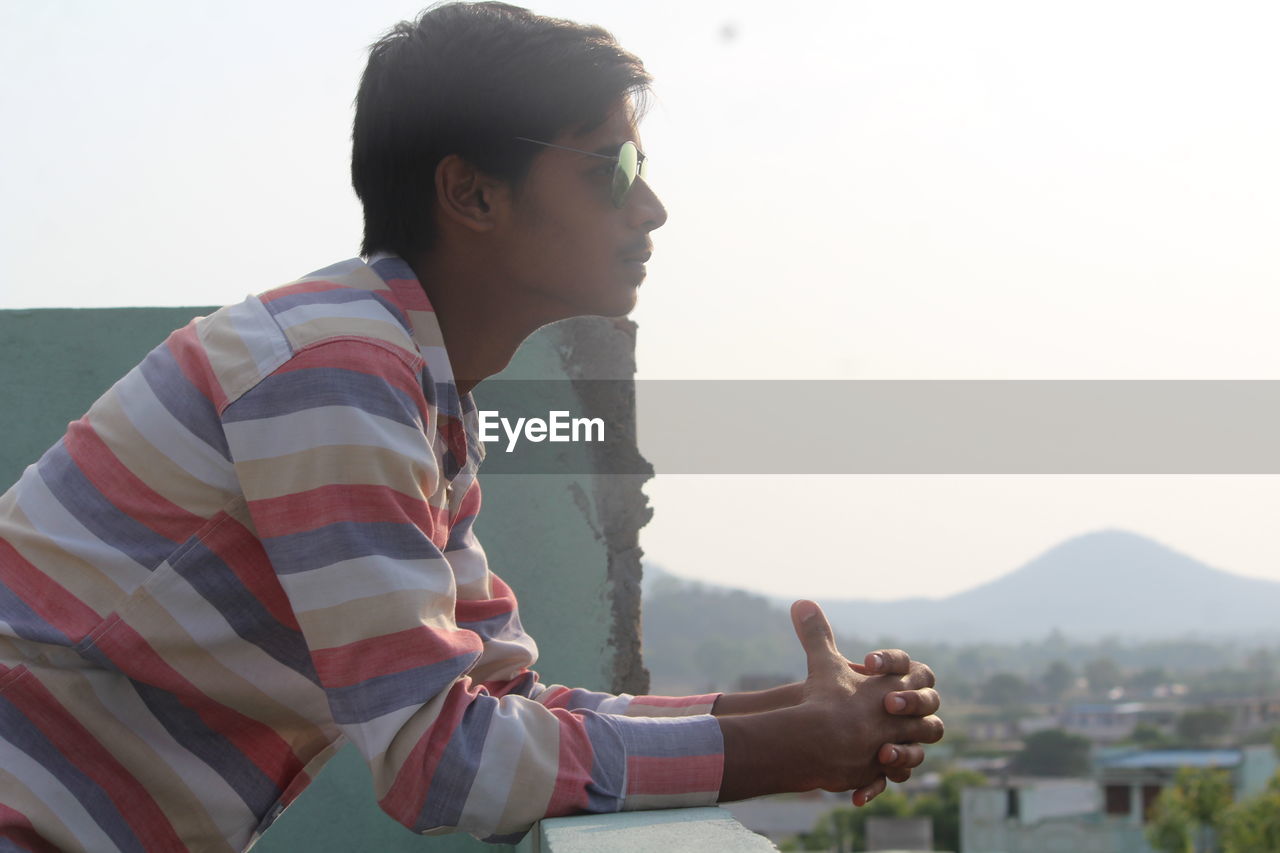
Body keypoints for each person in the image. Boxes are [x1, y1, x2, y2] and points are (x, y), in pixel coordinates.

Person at [0, 2, 942, 850]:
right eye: (613, 170)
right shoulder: (334, 371)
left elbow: (501, 700)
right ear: (473, 194)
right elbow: (440, 759)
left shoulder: (407, 380)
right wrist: (784, 745)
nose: (652, 208)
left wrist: (808, 714)